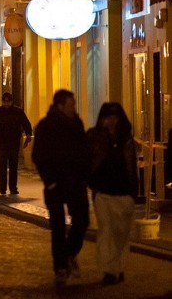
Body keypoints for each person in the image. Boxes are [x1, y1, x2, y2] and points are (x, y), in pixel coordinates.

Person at [32, 89, 90, 286]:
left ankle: (68, 254)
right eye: (71, 104)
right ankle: (61, 267)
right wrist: (50, 181)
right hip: (55, 184)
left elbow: (84, 151)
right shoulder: (46, 126)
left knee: (82, 221)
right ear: (60, 105)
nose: (74, 108)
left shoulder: (77, 124)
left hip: (76, 182)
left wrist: (84, 175)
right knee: (57, 227)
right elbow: (38, 156)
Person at [87, 102, 138, 285]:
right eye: (107, 117)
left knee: (121, 234)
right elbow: (87, 161)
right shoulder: (94, 137)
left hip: (123, 193)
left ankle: (119, 266)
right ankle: (109, 270)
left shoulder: (126, 139)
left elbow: (131, 167)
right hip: (103, 192)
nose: (111, 121)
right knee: (106, 232)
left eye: (114, 117)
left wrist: (134, 193)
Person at [0, 92, 32, 194]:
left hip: (14, 141)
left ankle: (13, 188)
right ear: (2, 101)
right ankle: (2, 188)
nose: (7, 103)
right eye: (5, 101)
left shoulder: (18, 112)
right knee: (2, 165)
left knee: (13, 165)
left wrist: (29, 133)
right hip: (3, 141)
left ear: (12, 101)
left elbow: (26, 123)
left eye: (8, 101)